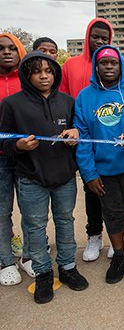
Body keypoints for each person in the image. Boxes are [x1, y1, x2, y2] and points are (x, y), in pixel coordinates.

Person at [0, 51, 88, 303]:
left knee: (65, 220)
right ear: (27, 76)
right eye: (37, 72)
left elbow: (80, 131)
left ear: (55, 73)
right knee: (35, 227)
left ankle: (68, 267)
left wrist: (75, 133)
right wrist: (18, 146)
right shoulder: (11, 104)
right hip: (31, 178)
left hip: (64, 176)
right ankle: (43, 274)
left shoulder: (68, 102)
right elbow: (3, 141)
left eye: (48, 71)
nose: (44, 76)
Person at [74, 45, 124, 284]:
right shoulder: (84, 97)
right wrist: (88, 173)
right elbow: (83, 138)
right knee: (112, 215)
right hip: (102, 170)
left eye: (114, 63)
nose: (109, 67)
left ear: (121, 66)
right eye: (104, 63)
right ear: (96, 67)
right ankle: (119, 256)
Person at [60, 18, 124, 262]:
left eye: (105, 38)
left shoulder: (120, 64)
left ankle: (119, 234)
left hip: (114, 144)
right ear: (87, 38)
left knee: (117, 192)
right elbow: (60, 100)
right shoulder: (71, 65)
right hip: (83, 139)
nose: (100, 41)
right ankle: (94, 234)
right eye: (96, 37)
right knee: (93, 189)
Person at [0, 33, 28, 286]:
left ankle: (30, 255)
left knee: (31, 211)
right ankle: (6, 261)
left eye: (12, 48)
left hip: (27, 156)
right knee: (2, 211)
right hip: (0, 159)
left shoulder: (28, 82)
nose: (6, 52)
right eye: (1, 48)